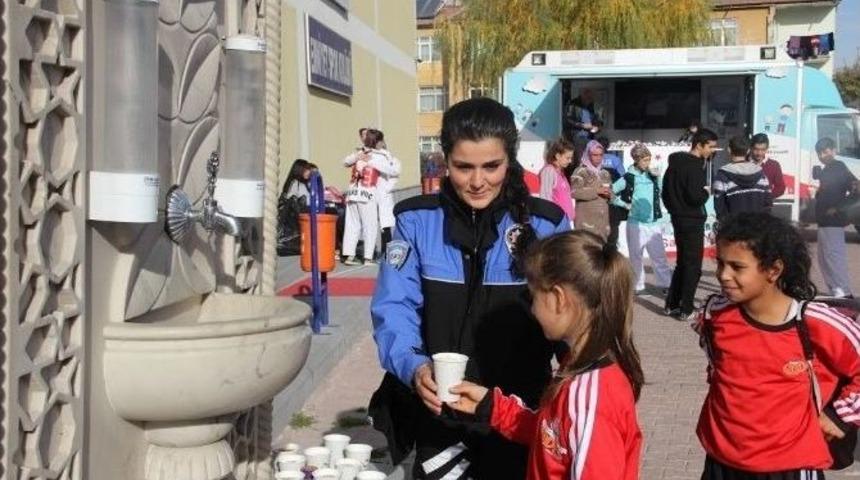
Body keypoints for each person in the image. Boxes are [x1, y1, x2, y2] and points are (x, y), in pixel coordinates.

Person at [369, 97, 570, 479]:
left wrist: (584, 389)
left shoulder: (547, 225)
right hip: (440, 414)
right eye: (463, 167)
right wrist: (414, 367)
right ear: (445, 160)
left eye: (491, 166)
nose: (478, 181)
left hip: (518, 413)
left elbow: (574, 323)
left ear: (509, 160)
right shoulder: (415, 220)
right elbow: (393, 308)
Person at [447, 231, 643, 480]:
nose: (532, 309)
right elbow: (552, 435)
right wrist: (490, 407)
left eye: (534, 297)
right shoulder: (578, 366)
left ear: (558, 299)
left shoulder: (590, 396)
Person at [694, 212, 860, 478]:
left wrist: (839, 415)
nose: (723, 275)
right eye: (720, 264)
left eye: (737, 267)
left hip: (789, 466)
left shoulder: (814, 322)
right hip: (721, 461)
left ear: (774, 270)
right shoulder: (715, 313)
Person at [662, 128, 717, 321]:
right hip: (692, 220)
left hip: (678, 218)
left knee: (682, 263)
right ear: (699, 145)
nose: (713, 150)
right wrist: (706, 192)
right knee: (693, 265)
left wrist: (675, 210)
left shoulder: (673, 165)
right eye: (710, 146)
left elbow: (665, 194)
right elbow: (695, 197)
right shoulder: (695, 167)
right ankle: (686, 307)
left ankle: (672, 303)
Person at [613, 144, 672, 296]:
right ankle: (637, 286)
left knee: (659, 256)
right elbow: (610, 192)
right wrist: (624, 204)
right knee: (636, 257)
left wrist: (658, 177)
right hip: (635, 223)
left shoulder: (651, 174)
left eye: (649, 160)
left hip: (654, 223)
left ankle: (667, 285)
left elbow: (661, 191)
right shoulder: (628, 177)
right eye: (644, 160)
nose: (647, 163)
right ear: (636, 160)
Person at [813, 137, 858, 298]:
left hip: (833, 223)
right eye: (819, 153)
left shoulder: (838, 166)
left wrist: (839, 207)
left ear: (833, 150)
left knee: (833, 257)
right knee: (824, 259)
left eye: (826, 151)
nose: (823, 155)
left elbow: (856, 187)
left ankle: (844, 293)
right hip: (824, 222)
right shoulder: (827, 169)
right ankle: (835, 291)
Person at [342, 129, 387, 265]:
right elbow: (390, 170)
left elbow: (345, 162)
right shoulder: (378, 155)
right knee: (370, 225)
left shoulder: (359, 153)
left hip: (352, 193)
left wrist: (358, 156)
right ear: (377, 141)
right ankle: (368, 258)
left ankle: (349, 256)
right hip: (367, 194)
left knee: (352, 225)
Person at [712, 135, 772, 221]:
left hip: (734, 229)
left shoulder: (722, 175)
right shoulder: (761, 175)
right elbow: (768, 203)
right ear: (748, 151)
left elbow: (719, 206)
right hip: (758, 228)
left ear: (729, 150)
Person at [571, 140, 613, 240]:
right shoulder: (580, 172)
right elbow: (574, 192)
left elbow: (611, 193)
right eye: (595, 155)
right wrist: (596, 191)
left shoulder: (605, 173)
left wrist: (609, 195)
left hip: (602, 224)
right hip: (586, 224)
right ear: (588, 154)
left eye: (600, 155)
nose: (598, 158)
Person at [373, 137, 402, 256]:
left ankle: (386, 251)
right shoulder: (373, 159)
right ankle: (371, 252)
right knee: (372, 224)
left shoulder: (393, 161)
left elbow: (395, 174)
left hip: (384, 194)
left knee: (385, 226)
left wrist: (387, 188)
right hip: (372, 194)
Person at [598, 136, 626, 248]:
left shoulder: (592, 159)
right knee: (613, 229)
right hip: (612, 200)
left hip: (597, 200)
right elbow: (623, 178)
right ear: (608, 146)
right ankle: (612, 251)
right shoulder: (615, 160)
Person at [538, 138, 575, 223]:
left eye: (571, 158)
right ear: (557, 156)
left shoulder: (560, 172)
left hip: (565, 221)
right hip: (556, 222)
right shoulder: (549, 171)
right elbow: (545, 198)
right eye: (567, 158)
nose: (570, 161)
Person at [749, 133, 786, 199]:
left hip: (764, 207)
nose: (759, 153)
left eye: (763, 150)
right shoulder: (744, 164)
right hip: (745, 207)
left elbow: (781, 187)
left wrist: (766, 197)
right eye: (756, 149)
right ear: (751, 148)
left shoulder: (774, 165)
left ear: (767, 149)